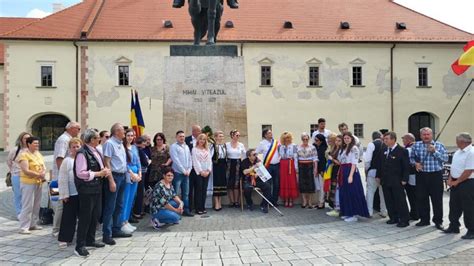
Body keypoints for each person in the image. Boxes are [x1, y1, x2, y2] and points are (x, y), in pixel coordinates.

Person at [74, 129, 110, 256]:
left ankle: (90, 239)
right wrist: (98, 173)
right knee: (85, 217)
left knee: (95, 215)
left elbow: (98, 166)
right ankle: (80, 245)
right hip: (87, 189)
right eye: (96, 137)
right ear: (91, 140)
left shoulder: (95, 151)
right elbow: (80, 173)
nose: (98, 139)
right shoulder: (82, 153)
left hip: (96, 188)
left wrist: (104, 171)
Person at [410, 127, 448, 230]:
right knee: (421, 198)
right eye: (424, 134)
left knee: (437, 200)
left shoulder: (439, 145)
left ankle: (438, 221)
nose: (426, 136)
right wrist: (415, 164)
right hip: (422, 175)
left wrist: (434, 151)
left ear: (432, 135)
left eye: (428, 134)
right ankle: (424, 220)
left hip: (435, 175)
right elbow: (411, 158)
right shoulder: (416, 145)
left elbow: (445, 158)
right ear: (420, 135)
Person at [102, 123, 131, 245]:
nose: (124, 133)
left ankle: (116, 229)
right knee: (110, 206)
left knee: (119, 205)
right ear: (116, 132)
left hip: (122, 176)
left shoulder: (120, 144)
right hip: (114, 176)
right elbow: (107, 162)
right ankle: (106, 234)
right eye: (122, 131)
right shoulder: (109, 143)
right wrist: (111, 180)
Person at [52, 121, 81, 236]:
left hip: (61, 178)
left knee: (60, 205)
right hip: (58, 179)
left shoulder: (67, 138)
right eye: (78, 129)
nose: (79, 131)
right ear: (71, 128)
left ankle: (59, 228)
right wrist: (63, 176)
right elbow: (59, 159)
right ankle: (56, 229)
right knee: (59, 205)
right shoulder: (64, 139)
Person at [376, 132, 410, 227]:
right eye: (384, 139)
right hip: (385, 180)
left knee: (400, 200)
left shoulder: (402, 150)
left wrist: (405, 179)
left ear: (393, 139)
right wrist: (378, 176)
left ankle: (404, 219)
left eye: (387, 139)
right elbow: (380, 164)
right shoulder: (383, 149)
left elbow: (406, 166)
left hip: (397, 180)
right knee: (389, 200)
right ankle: (393, 217)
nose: (384, 141)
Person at [444, 133, 474, 240]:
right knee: (454, 205)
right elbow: (453, 167)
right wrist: (450, 178)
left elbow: (469, 170)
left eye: (457, 141)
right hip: (455, 181)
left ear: (463, 141)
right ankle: (454, 225)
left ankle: (471, 230)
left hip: (467, 183)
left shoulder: (471, 152)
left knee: (468, 207)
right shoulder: (458, 152)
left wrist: (458, 181)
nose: (456, 143)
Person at [17, 136, 46, 234]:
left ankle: (33, 224)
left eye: (38, 143)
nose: (37, 145)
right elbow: (26, 170)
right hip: (28, 183)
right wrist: (39, 174)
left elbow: (43, 165)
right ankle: (23, 226)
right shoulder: (24, 155)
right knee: (27, 205)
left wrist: (43, 172)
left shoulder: (38, 153)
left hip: (38, 182)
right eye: (35, 143)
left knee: (36, 204)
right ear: (28, 144)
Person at [338, 132, 369, 222]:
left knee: (352, 193)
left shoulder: (354, 148)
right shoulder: (344, 148)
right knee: (345, 192)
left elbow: (354, 163)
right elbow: (341, 161)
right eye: (345, 138)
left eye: (348, 138)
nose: (346, 140)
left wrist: (351, 175)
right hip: (343, 170)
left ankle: (353, 214)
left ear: (351, 139)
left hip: (350, 170)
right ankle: (347, 212)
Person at [57, 138, 82, 247]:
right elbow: (62, 178)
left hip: (82, 193)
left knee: (83, 216)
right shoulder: (67, 161)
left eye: (78, 146)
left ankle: (82, 237)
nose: (76, 149)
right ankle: (65, 238)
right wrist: (64, 194)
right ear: (69, 149)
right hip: (71, 193)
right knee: (68, 217)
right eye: (73, 147)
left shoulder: (83, 159)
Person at [120, 129, 142, 233]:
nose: (130, 137)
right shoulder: (122, 148)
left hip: (136, 174)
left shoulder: (134, 147)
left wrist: (140, 173)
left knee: (131, 199)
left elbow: (138, 161)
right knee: (126, 198)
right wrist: (132, 174)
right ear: (125, 136)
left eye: (132, 135)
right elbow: (124, 163)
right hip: (128, 174)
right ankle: (122, 222)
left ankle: (126, 220)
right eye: (128, 135)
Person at [170, 130, 194, 217]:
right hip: (177, 173)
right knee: (175, 193)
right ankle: (175, 211)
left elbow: (190, 159)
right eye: (180, 136)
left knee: (186, 193)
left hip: (187, 174)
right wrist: (183, 170)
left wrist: (189, 169)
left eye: (183, 136)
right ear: (176, 137)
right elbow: (175, 160)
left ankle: (186, 210)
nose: (182, 138)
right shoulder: (173, 146)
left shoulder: (186, 146)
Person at [7, 132, 31, 218]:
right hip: (17, 175)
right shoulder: (15, 150)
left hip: (29, 176)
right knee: (18, 195)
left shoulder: (32, 150)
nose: (27, 140)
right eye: (25, 138)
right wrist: (13, 171)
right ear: (21, 139)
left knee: (28, 196)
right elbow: (9, 161)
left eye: (29, 138)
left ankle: (27, 213)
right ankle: (19, 213)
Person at [364, 131, 388, 218]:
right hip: (383, 172)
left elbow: (367, 160)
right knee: (383, 193)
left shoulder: (371, 144)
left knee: (370, 192)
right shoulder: (385, 144)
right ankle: (384, 211)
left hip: (373, 171)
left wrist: (366, 172)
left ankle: (369, 211)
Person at [241, 149, 271, 213]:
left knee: (268, 186)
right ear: (249, 156)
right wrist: (254, 166)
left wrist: (258, 173)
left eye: (256, 154)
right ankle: (250, 204)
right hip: (248, 180)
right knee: (247, 188)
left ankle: (264, 205)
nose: (256, 156)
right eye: (254, 155)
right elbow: (245, 172)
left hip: (257, 180)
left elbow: (263, 171)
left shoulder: (258, 160)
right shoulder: (244, 161)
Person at [256, 129, 281, 206]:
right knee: (268, 184)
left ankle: (274, 201)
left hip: (277, 165)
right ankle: (268, 201)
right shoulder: (262, 143)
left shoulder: (276, 142)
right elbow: (255, 153)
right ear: (265, 135)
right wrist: (259, 161)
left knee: (276, 184)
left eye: (271, 132)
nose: (271, 134)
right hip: (267, 166)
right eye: (269, 133)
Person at [192, 133, 213, 214]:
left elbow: (209, 161)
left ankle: (203, 207)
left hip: (206, 172)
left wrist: (208, 170)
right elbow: (195, 161)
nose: (202, 141)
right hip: (198, 173)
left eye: (204, 139)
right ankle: (198, 208)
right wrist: (201, 171)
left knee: (204, 190)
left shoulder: (207, 150)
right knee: (198, 190)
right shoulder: (194, 149)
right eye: (201, 139)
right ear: (198, 140)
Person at [226, 129, 246, 207]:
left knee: (237, 183)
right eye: (237, 135)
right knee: (229, 183)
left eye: (239, 135)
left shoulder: (241, 145)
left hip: (238, 164)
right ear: (232, 136)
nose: (238, 137)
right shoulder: (227, 144)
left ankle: (237, 201)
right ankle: (232, 201)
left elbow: (244, 155)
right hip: (229, 164)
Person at [297, 133, 317, 208]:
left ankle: (310, 202)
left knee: (310, 184)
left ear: (308, 139)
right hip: (301, 166)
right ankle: (304, 201)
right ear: (302, 139)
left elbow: (315, 158)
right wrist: (296, 168)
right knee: (302, 183)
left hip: (310, 166)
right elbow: (296, 158)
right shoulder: (298, 147)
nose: (305, 140)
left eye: (306, 139)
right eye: (304, 139)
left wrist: (315, 169)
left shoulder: (312, 147)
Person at [278, 132, 299, 207]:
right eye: (285, 138)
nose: (287, 139)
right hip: (283, 164)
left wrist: (296, 167)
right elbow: (279, 156)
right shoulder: (280, 146)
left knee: (291, 181)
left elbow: (296, 158)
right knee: (284, 181)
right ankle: (286, 199)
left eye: (288, 138)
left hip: (290, 164)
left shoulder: (294, 146)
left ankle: (291, 199)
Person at [401, 133, 419, 221]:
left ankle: (415, 213)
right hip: (415, 174)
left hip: (412, 174)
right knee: (414, 195)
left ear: (408, 140)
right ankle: (415, 212)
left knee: (412, 195)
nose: (403, 141)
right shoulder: (417, 146)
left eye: (403, 139)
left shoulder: (409, 149)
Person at [133, 136, 150, 219]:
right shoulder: (139, 150)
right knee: (139, 193)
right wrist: (149, 161)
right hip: (140, 173)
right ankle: (137, 212)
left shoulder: (139, 150)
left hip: (141, 173)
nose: (146, 144)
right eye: (144, 142)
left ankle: (138, 211)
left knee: (140, 192)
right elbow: (145, 162)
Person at [326, 134, 343, 217]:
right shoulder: (335, 148)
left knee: (336, 188)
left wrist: (331, 159)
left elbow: (340, 162)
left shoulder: (341, 149)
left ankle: (337, 207)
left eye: (339, 141)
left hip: (338, 170)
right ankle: (334, 206)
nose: (337, 142)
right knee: (332, 188)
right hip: (333, 169)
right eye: (336, 140)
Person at [185, 125, 201, 211]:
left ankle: (198, 207)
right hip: (189, 168)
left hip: (198, 168)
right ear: (193, 131)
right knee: (189, 189)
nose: (200, 133)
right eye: (198, 131)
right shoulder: (186, 140)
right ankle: (190, 207)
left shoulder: (201, 140)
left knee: (198, 188)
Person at [212, 131, 227, 211]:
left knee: (222, 183)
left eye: (222, 136)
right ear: (216, 137)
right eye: (220, 136)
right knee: (216, 183)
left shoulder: (224, 146)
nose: (221, 138)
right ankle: (216, 203)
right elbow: (210, 156)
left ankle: (220, 202)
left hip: (223, 165)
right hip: (216, 165)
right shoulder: (213, 146)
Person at [313, 134, 327, 209]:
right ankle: (318, 201)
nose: (315, 142)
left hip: (322, 170)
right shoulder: (315, 147)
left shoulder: (324, 148)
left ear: (321, 141)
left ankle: (321, 202)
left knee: (322, 186)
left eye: (317, 140)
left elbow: (323, 160)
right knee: (318, 187)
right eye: (315, 140)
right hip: (316, 169)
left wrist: (322, 170)